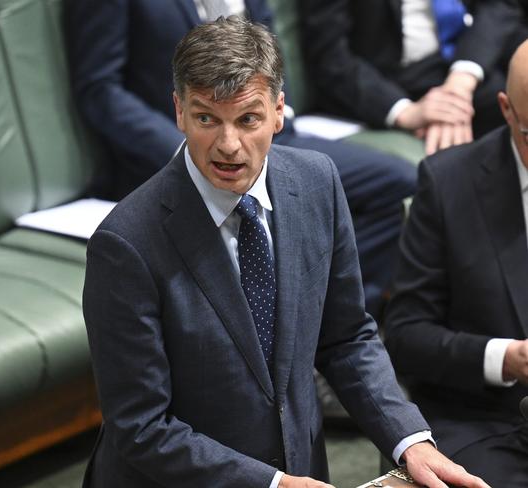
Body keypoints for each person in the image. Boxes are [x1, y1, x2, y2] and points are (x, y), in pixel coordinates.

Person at [81, 17, 489, 488]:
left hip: (302, 468)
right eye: (206, 119)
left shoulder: (318, 182)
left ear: (279, 111)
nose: (228, 145)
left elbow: (347, 336)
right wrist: (271, 484)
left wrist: (408, 439)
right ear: (178, 111)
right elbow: (141, 428)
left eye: (248, 119)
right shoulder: (125, 244)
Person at [66, 0, 418, 318]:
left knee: (395, 184)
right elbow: (99, 89)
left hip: (268, 136)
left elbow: (268, 49)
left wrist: (274, 122)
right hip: (181, 150)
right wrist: (188, 146)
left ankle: (322, 331)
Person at [384, 40, 528, 487]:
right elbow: (407, 335)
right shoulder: (448, 183)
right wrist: (508, 358)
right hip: (489, 421)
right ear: (506, 110)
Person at [300, 0, 526, 155]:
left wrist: (462, 81)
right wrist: (406, 113)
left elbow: (501, 4)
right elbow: (328, 55)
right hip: (393, 76)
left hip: (470, 48)